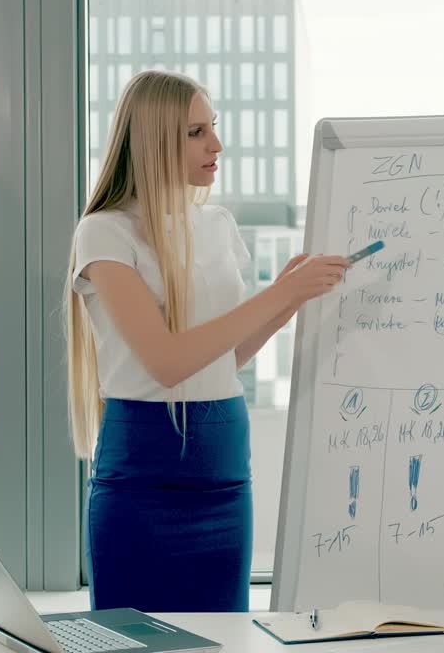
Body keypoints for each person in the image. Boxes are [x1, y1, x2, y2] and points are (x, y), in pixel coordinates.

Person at [65, 70, 348, 612]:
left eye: (212, 127)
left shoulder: (217, 225)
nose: (216, 144)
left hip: (222, 467)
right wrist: (278, 294)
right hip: (143, 473)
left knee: (225, 639)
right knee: (134, 642)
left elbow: (224, 358)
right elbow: (166, 362)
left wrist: (289, 299)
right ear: (153, 141)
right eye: (196, 132)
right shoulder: (104, 231)